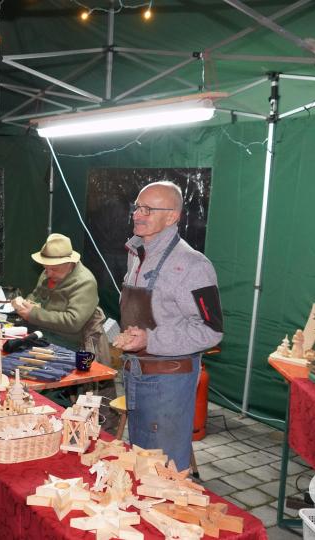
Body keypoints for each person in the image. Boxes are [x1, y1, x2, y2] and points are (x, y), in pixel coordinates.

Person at [115, 181, 223, 471]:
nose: (138, 214)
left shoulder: (193, 265)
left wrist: (151, 339)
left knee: (163, 471)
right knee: (140, 463)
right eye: (137, 206)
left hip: (168, 383)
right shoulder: (136, 253)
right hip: (135, 374)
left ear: (172, 216)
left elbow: (211, 330)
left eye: (148, 209)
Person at [13, 233, 109, 360]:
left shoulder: (84, 282)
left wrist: (34, 314)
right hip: (43, 334)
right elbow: (36, 296)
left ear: (69, 263)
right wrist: (26, 304)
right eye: (45, 267)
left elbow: (72, 322)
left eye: (54, 269)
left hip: (70, 344)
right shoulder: (47, 273)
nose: (48, 273)